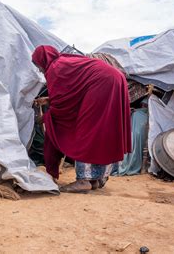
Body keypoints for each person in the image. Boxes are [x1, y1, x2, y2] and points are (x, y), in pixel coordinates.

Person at [32, 45, 131, 193]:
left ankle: (83, 180)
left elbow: (62, 105)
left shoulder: (54, 68)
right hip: (114, 79)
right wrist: (49, 100)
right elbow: (72, 92)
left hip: (102, 83)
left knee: (85, 130)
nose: (40, 69)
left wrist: (45, 118)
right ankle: (95, 179)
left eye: (38, 65)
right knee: (101, 131)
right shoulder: (64, 61)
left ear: (42, 60)